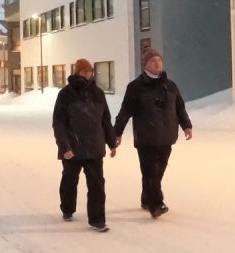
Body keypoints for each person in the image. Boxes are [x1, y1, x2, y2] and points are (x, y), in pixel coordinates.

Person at [112, 44, 192, 219]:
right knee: (151, 172)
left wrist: (186, 125)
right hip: (146, 138)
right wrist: (116, 132)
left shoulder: (170, 86)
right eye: (153, 60)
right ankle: (156, 204)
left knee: (158, 172)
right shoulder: (135, 87)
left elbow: (179, 108)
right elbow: (125, 111)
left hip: (166, 136)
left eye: (159, 60)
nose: (157, 63)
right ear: (145, 65)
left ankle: (146, 199)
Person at [52, 58, 117, 232]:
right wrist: (64, 147)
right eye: (84, 71)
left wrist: (111, 143)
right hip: (73, 147)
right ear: (77, 72)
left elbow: (105, 120)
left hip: (94, 147)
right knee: (70, 180)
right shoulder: (66, 94)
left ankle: (97, 220)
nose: (88, 75)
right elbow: (59, 123)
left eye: (90, 71)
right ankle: (67, 209)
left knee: (97, 185)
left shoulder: (98, 93)